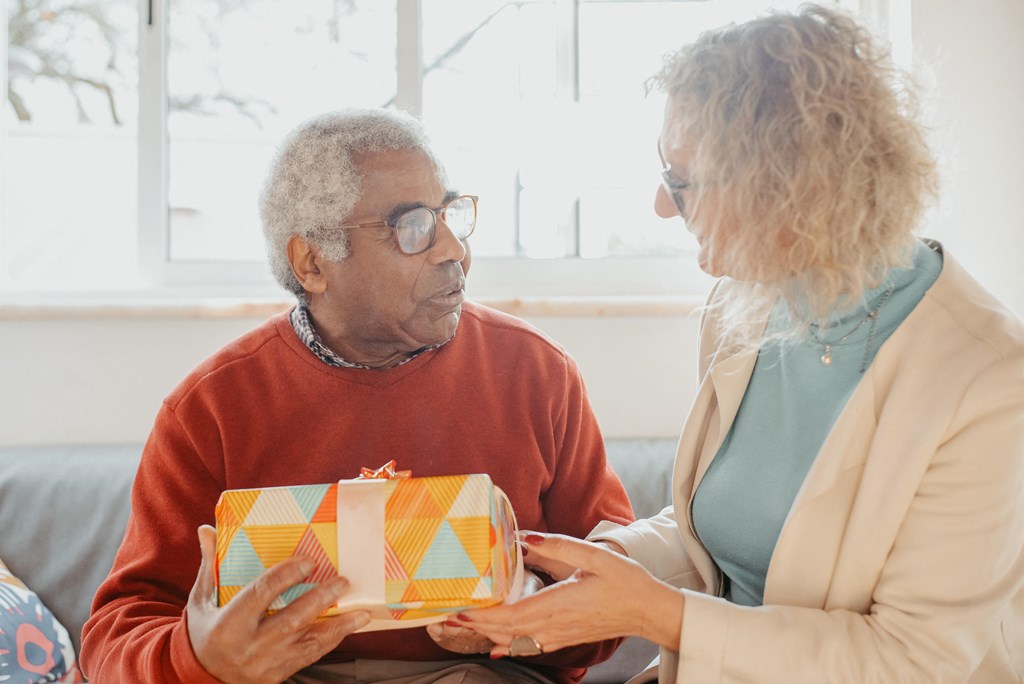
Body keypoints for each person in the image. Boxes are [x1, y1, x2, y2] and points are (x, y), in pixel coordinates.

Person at [457, 5, 1024, 682]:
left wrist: (656, 615)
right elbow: (715, 537)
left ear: (789, 187)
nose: (664, 208)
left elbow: (912, 660)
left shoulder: (990, 381)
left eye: (681, 182)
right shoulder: (746, 307)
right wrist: (570, 576)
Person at [79, 108, 634, 684]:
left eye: (450, 216)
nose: (455, 251)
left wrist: (532, 612)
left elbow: (620, 578)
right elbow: (117, 632)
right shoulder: (210, 408)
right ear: (313, 262)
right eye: (412, 226)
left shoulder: (537, 372)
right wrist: (201, 660)